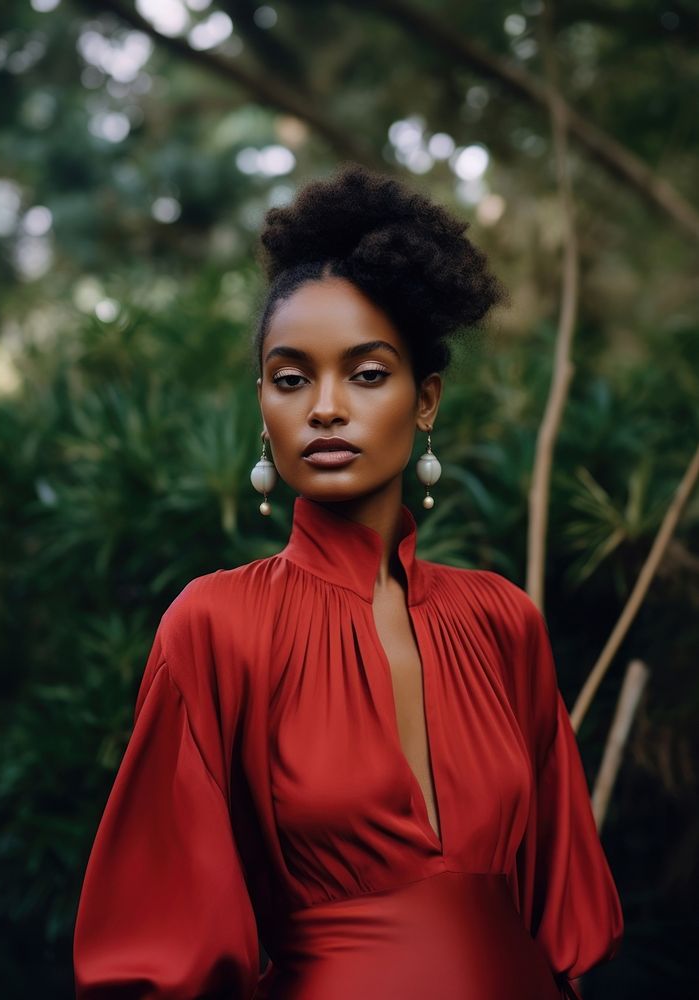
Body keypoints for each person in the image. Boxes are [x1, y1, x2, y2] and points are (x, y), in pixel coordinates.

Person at [73, 164, 624, 999]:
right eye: (292, 378)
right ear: (262, 402)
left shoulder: (501, 621)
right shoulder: (216, 624)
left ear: (425, 398)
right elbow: (158, 947)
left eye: (366, 374)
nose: (325, 407)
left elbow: (559, 924)